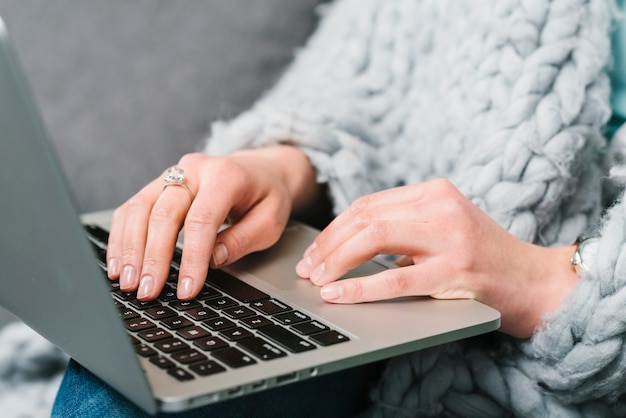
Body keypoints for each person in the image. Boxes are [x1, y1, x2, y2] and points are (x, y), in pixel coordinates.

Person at [53, 0, 626, 416]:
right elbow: (362, 81)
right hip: (368, 297)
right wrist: (281, 165)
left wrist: (547, 279)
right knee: (160, 355)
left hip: (545, 353)